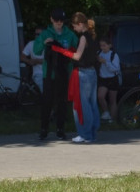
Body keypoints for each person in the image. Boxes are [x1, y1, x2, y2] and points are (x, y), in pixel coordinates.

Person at [35, 8, 77, 140]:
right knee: (47, 102)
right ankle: (44, 129)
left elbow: (78, 49)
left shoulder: (69, 34)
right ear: (51, 19)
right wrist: (43, 42)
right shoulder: (45, 33)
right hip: (49, 74)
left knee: (62, 103)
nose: (59, 22)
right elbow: (36, 50)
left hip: (64, 73)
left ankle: (60, 129)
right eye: (57, 20)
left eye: (62, 20)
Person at [68, 12, 100, 143]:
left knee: (82, 105)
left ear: (80, 24)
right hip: (92, 73)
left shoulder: (83, 38)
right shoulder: (93, 36)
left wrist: (64, 51)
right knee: (92, 104)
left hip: (83, 73)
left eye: (75, 26)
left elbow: (77, 56)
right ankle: (92, 133)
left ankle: (85, 134)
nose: (74, 29)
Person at [97, 36, 121, 122]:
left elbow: (115, 69)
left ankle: (113, 120)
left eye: (104, 45)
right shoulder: (99, 53)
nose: (102, 47)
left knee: (112, 101)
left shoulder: (114, 55)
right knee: (100, 96)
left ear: (109, 45)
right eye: (101, 46)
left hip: (113, 79)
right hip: (103, 79)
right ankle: (106, 113)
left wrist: (105, 62)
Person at [20, 25, 45, 92]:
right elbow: (22, 57)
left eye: (39, 34)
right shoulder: (31, 44)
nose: (36, 36)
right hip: (38, 75)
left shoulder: (48, 45)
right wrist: (28, 61)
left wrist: (36, 61)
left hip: (49, 74)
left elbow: (51, 60)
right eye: (35, 34)